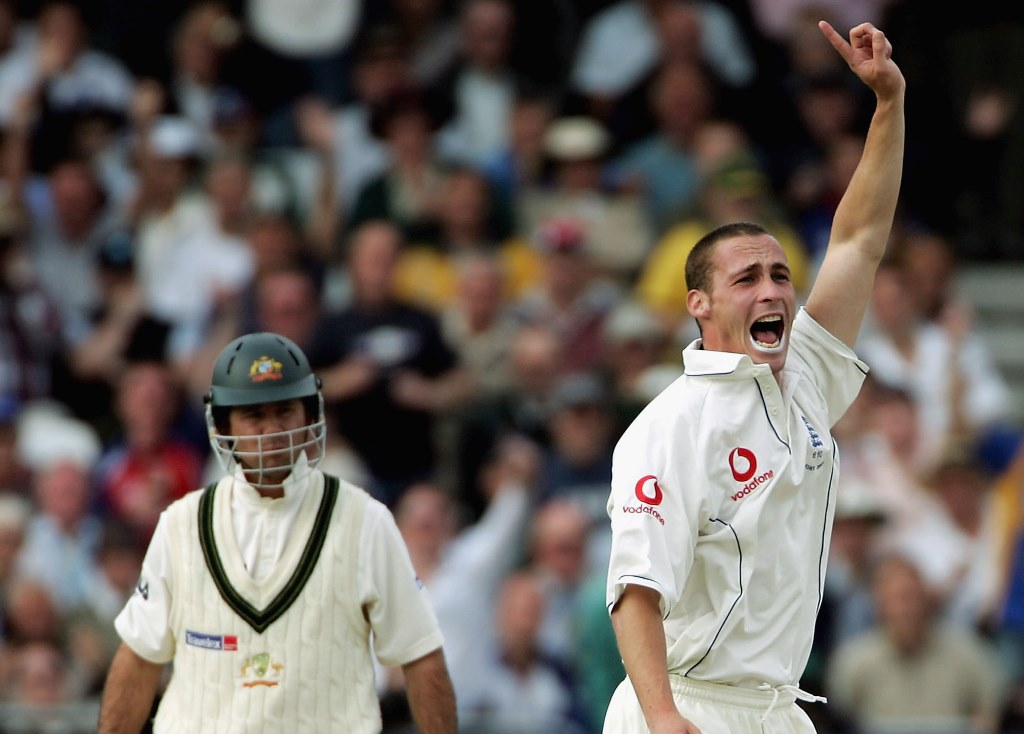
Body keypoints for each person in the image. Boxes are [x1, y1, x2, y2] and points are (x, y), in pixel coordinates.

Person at [602, 19, 904, 734]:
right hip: (686, 704)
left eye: (779, 275)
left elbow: (859, 240)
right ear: (699, 304)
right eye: (746, 279)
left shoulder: (804, 378)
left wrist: (889, 105)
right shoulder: (670, 425)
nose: (771, 291)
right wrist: (663, 716)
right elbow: (635, 592)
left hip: (779, 710)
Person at [97, 331, 457, 733]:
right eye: (254, 415)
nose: (272, 430)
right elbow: (139, 658)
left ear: (309, 416)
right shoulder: (181, 524)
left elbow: (420, 654)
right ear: (223, 425)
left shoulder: (365, 521)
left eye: (285, 411)